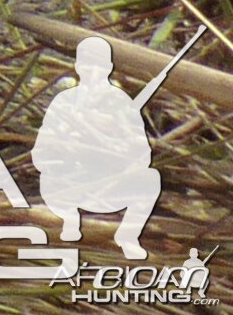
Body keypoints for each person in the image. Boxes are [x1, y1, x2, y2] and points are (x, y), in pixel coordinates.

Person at [33, 32, 170, 258]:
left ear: (109, 67)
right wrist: (67, 148)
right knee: (50, 181)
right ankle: (69, 224)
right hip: (70, 182)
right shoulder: (64, 102)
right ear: (77, 66)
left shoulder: (120, 103)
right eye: (87, 64)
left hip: (111, 182)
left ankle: (127, 235)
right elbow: (40, 155)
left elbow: (143, 154)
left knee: (151, 178)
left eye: (100, 65)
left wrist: (121, 150)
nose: (94, 72)